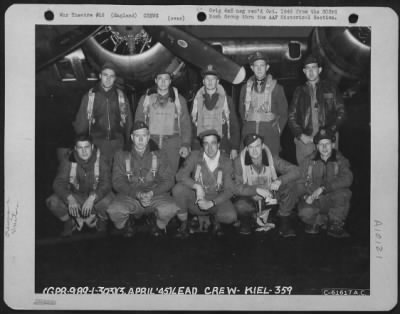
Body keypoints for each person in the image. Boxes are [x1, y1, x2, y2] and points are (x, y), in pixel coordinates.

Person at [107, 121, 182, 237]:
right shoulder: (121, 155)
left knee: (171, 208)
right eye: (137, 136)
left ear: (148, 137)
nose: (141, 140)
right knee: (114, 211)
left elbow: (168, 180)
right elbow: (117, 182)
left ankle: (157, 223)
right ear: (132, 137)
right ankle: (128, 221)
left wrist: (152, 192)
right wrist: (136, 194)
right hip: (131, 196)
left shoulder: (160, 155)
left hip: (155, 195)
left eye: (144, 136)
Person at [172, 129, 237, 237]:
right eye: (206, 143)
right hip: (196, 199)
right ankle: (184, 222)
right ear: (202, 145)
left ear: (219, 144)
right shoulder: (195, 156)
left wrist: (211, 203)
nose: (210, 147)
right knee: (178, 190)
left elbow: (230, 190)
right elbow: (179, 175)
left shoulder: (227, 162)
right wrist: (197, 186)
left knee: (230, 216)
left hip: (215, 199)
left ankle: (212, 218)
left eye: (213, 143)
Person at [46, 134, 113, 236]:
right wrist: (69, 198)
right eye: (80, 148)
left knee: (108, 200)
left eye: (86, 147)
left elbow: (107, 183)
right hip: (75, 196)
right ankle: (69, 220)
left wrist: (92, 198)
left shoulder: (102, 159)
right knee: (52, 202)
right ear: (75, 149)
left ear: (92, 147)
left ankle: (101, 218)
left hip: (94, 196)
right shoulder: (68, 159)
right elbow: (58, 183)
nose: (84, 151)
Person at [233, 134, 300, 237]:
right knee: (240, 204)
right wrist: (256, 190)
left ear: (262, 146)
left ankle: (284, 222)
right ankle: (247, 221)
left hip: (270, 197)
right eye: (251, 147)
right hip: (251, 197)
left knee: (290, 184)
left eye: (257, 146)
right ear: (246, 148)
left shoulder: (272, 158)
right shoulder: (239, 162)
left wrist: (280, 180)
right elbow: (236, 188)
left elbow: (296, 170)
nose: (254, 150)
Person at [288, 54, 346, 164]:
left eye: (313, 67)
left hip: (327, 139)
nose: (311, 71)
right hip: (306, 141)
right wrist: (300, 135)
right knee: (306, 174)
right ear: (304, 71)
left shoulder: (331, 88)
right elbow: (291, 116)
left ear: (319, 70)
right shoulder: (299, 91)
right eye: (308, 68)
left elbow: (341, 112)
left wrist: (330, 131)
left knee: (329, 171)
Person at [296, 128, 353, 238]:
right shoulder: (308, 161)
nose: (324, 147)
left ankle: (335, 223)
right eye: (321, 144)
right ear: (316, 146)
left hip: (332, 198)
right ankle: (319, 221)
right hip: (315, 199)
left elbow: (348, 178)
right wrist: (305, 196)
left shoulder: (341, 160)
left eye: (327, 144)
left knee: (344, 193)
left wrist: (324, 188)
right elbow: (300, 182)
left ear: (333, 145)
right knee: (305, 212)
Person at [73, 62, 133, 164]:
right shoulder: (90, 97)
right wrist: (82, 147)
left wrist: (129, 145)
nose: (108, 79)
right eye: (105, 75)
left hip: (118, 145)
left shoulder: (121, 97)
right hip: (97, 145)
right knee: (99, 176)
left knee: (117, 176)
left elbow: (129, 123)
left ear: (115, 78)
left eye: (111, 76)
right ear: (100, 76)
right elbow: (81, 124)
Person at [135, 70, 192, 173]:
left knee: (169, 177)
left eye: (166, 79)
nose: (163, 82)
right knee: (151, 176)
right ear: (156, 80)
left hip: (172, 145)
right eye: (160, 79)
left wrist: (186, 144)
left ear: (170, 81)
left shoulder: (179, 100)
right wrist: (138, 142)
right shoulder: (146, 99)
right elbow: (138, 122)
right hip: (151, 143)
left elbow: (185, 124)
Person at [239, 51, 288, 156]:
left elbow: (283, 113)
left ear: (267, 67)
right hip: (249, 135)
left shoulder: (277, 88)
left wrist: (276, 131)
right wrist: (249, 126)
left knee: (269, 166)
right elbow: (241, 111)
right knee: (247, 167)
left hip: (269, 137)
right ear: (252, 68)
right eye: (256, 66)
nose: (259, 69)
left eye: (262, 65)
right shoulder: (244, 89)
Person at [191, 64, 240, 160]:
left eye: (213, 79)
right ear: (203, 81)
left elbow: (234, 125)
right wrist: (192, 146)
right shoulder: (196, 101)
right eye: (207, 79)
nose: (210, 82)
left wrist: (234, 147)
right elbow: (191, 126)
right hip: (201, 147)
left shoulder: (227, 100)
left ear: (217, 81)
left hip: (222, 147)